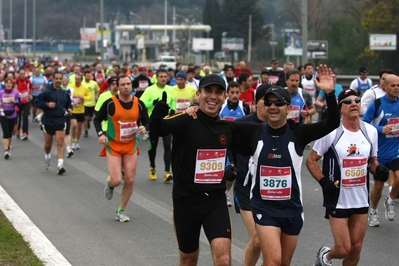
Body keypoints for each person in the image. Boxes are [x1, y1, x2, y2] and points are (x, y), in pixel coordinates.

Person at [149, 74, 261, 266]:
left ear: (224, 97)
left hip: (215, 202)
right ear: (198, 94)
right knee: (188, 259)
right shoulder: (186, 119)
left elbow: (254, 146)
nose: (213, 96)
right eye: (208, 91)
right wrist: (158, 114)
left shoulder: (227, 128)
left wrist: (231, 171)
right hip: (186, 201)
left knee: (224, 259)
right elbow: (157, 129)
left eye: (218, 92)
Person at [250, 65, 340, 265]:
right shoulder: (253, 131)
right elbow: (221, 128)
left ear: (288, 108)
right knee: (272, 261)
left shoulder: (298, 133)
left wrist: (330, 93)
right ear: (263, 106)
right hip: (264, 208)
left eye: (279, 103)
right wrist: (195, 111)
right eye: (269, 103)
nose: (273, 107)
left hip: (292, 209)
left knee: (283, 262)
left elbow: (332, 123)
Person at [307, 89, 388, 266]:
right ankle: (325, 257)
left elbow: (372, 161)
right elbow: (311, 161)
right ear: (340, 107)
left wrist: (379, 170)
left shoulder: (371, 131)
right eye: (348, 101)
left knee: (356, 247)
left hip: (360, 198)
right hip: (337, 198)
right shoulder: (331, 132)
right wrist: (324, 182)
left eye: (357, 100)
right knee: (343, 248)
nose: (354, 104)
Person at [94, 75, 148, 222]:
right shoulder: (110, 103)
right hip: (114, 146)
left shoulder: (139, 103)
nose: (126, 86)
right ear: (117, 86)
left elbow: (146, 120)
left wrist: (144, 127)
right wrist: (101, 134)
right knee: (117, 180)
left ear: (132, 86)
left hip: (131, 146)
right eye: (123, 84)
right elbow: (97, 119)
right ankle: (110, 184)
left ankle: (120, 211)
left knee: (130, 180)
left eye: (128, 84)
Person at [233, 84, 270, 266]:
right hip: (246, 187)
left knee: (271, 247)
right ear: (257, 102)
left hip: (270, 190)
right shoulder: (242, 124)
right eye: (266, 100)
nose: (271, 105)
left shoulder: (279, 126)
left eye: (274, 101)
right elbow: (222, 141)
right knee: (257, 240)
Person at [363, 74, 399, 225]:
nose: (396, 88)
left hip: (396, 150)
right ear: (385, 87)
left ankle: (390, 199)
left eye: (398, 85)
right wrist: (380, 128)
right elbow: (364, 124)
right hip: (379, 153)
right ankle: (373, 210)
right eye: (393, 85)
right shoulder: (377, 105)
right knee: (378, 186)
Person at [140, 68, 176, 181]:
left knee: (167, 146)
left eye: (165, 77)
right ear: (156, 77)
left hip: (166, 122)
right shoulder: (150, 90)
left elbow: (173, 101)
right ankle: (152, 167)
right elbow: (141, 102)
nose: (163, 79)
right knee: (153, 147)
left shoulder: (170, 89)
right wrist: (153, 102)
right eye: (161, 77)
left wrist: (173, 110)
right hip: (154, 122)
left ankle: (167, 171)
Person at [34, 72, 73, 174]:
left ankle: (60, 166)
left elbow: (68, 103)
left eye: (60, 78)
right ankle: (47, 156)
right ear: (53, 79)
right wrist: (47, 104)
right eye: (57, 78)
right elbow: (36, 102)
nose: (59, 80)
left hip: (60, 119)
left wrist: (69, 109)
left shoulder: (64, 93)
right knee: (48, 145)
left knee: (60, 142)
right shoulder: (46, 92)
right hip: (48, 120)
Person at [219, 81, 251, 207]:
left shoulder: (244, 107)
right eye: (232, 92)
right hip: (224, 144)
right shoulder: (221, 106)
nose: (235, 95)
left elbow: (249, 125)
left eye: (237, 92)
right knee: (226, 169)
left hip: (238, 145)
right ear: (227, 94)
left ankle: (225, 192)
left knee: (235, 172)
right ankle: (222, 193)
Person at [69, 73, 92, 149]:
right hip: (73, 110)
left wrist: (83, 98)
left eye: (78, 79)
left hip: (81, 110)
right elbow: (66, 94)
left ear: (81, 80)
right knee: (74, 125)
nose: (77, 81)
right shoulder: (71, 86)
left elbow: (90, 96)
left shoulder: (84, 88)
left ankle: (77, 141)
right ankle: (73, 141)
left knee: (79, 127)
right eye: (76, 79)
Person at [0, 78, 20, 159]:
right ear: (4, 84)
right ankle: (6, 151)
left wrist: (15, 102)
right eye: (7, 83)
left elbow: (20, 104)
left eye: (10, 83)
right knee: (6, 132)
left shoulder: (16, 93)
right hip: (3, 114)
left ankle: (8, 147)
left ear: (12, 85)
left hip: (13, 114)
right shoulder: (1, 92)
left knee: (10, 133)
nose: (8, 84)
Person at [15, 68, 33, 140]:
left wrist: (30, 94)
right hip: (18, 102)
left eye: (23, 74)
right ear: (19, 75)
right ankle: (18, 130)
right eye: (21, 74)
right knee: (18, 117)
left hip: (26, 101)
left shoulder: (28, 81)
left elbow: (30, 88)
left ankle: (25, 133)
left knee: (25, 116)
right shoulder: (16, 81)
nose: (22, 76)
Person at [82, 70, 100, 138]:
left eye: (89, 76)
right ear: (84, 76)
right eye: (87, 76)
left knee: (90, 118)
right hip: (85, 103)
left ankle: (88, 122)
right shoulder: (82, 83)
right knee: (85, 118)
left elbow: (98, 90)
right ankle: (86, 131)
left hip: (92, 103)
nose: (88, 77)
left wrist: (96, 95)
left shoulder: (94, 83)